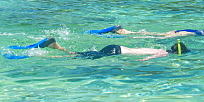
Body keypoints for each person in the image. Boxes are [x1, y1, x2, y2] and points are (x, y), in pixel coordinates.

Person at [17, 37, 188, 61]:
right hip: (116, 52)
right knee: (79, 57)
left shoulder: (158, 47)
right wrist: (138, 63)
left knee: (85, 54)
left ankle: (57, 48)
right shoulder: (164, 53)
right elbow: (148, 58)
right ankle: (53, 51)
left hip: (117, 47)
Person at [92, 18, 204, 38]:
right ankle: (121, 35)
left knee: (158, 34)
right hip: (189, 34)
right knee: (154, 37)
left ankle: (121, 31)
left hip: (189, 29)